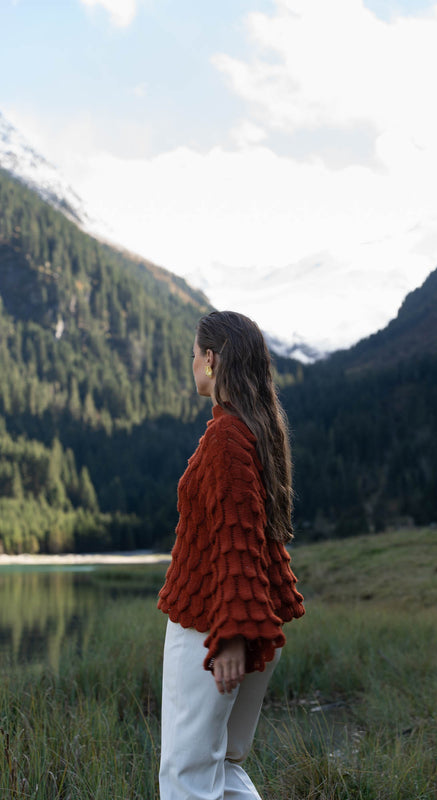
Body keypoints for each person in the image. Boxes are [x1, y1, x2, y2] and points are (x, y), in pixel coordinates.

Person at [157, 310, 305, 800]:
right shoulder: (253, 432)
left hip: (212, 626)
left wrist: (231, 638)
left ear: (212, 359)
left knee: (187, 775)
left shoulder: (225, 438)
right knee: (222, 769)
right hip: (246, 620)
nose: (191, 362)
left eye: (194, 353)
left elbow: (236, 540)